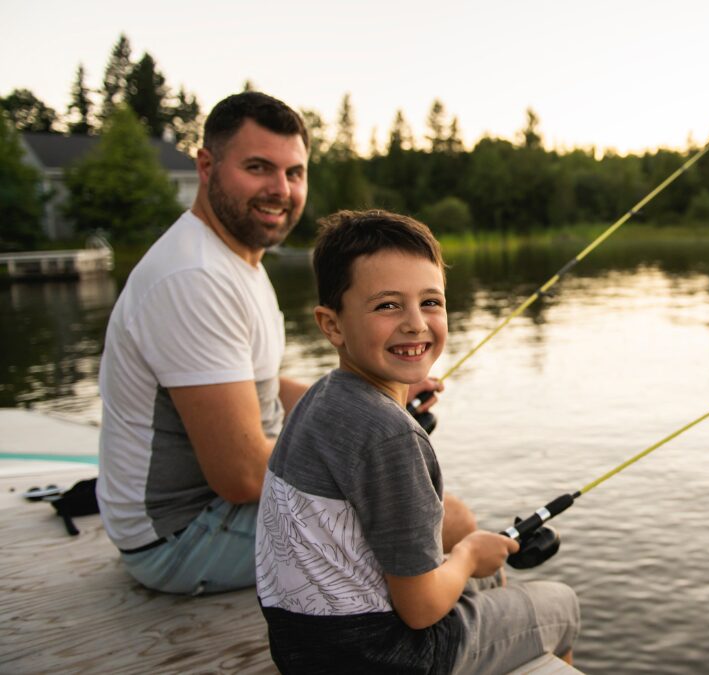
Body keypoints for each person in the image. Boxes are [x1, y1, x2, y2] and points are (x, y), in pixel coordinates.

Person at [95, 92, 447, 595]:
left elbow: (260, 384)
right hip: (181, 536)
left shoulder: (237, 259)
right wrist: (364, 446)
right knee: (443, 522)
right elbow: (239, 475)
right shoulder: (193, 277)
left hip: (212, 513)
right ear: (206, 165)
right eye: (258, 167)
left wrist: (377, 407)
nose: (279, 189)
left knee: (420, 514)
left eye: (294, 173)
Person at [256, 210, 579, 674]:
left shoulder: (322, 399)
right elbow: (422, 609)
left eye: (431, 302)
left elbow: (356, 456)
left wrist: (400, 397)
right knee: (561, 604)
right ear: (332, 325)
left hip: (304, 648)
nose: (415, 324)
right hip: (381, 658)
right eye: (388, 305)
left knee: (486, 588)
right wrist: (468, 555)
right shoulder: (391, 437)